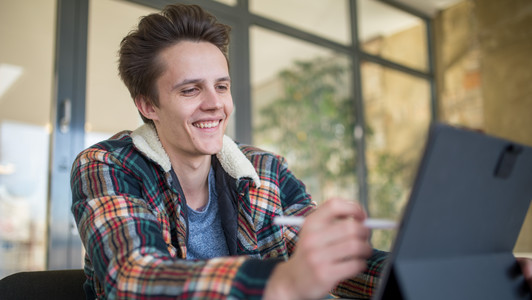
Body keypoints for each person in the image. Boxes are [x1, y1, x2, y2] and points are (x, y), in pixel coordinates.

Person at [70, 3, 532, 300]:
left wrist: (462, 276)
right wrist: (283, 283)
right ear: (147, 104)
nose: (215, 103)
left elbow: (347, 267)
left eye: (222, 86)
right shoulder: (108, 166)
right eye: (191, 89)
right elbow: (129, 279)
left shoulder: (266, 172)